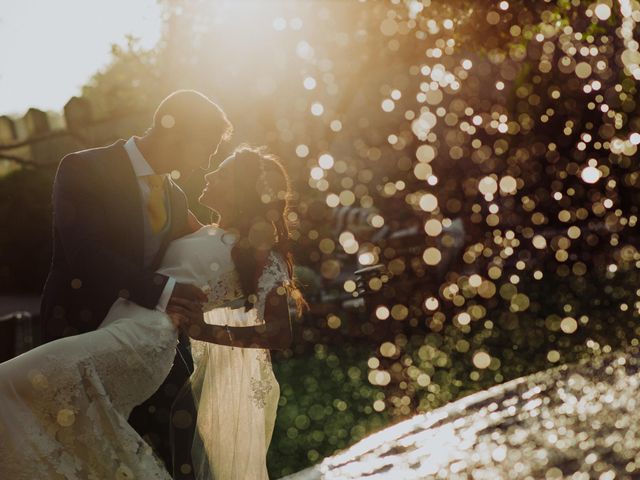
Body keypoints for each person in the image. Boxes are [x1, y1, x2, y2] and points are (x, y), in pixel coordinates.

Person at [0, 145, 306, 479]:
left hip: (144, 337)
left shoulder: (261, 255)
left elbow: (280, 334)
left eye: (222, 173)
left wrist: (209, 332)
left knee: (10, 386)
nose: (208, 174)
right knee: (70, 427)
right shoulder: (202, 230)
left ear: (240, 190)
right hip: (122, 324)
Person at [39, 89, 233, 478]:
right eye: (207, 148)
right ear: (175, 133)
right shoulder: (82, 168)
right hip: (81, 327)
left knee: (179, 430)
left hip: (148, 336)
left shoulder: (174, 195)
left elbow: (210, 239)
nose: (208, 161)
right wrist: (164, 292)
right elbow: (85, 254)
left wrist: (259, 243)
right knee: (87, 447)